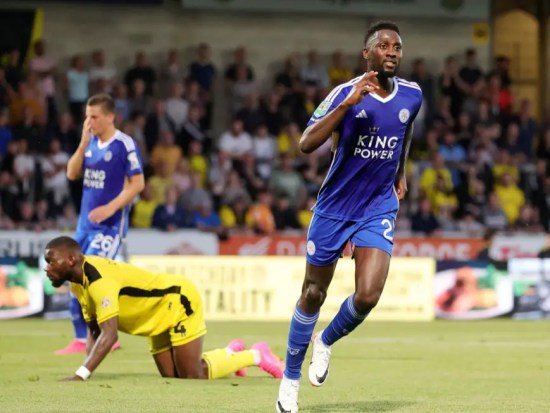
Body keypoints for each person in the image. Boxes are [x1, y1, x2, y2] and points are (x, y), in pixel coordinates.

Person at [276, 21, 422, 413]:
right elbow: (306, 144)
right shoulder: (345, 93)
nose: (392, 51)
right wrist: (345, 105)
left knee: (369, 294)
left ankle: (324, 341)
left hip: (377, 205)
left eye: (397, 47)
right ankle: (289, 381)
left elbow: (404, 132)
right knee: (313, 293)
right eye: (384, 46)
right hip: (336, 206)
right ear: (368, 54)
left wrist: (401, 172)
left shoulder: (413, 95)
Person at [44, 236, 284, 381]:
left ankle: (254, 355)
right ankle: (229, 353)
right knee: (172, 376)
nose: (47, 268)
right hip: (153, 319)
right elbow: (94, 330)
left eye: (51, 261)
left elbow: (110, 334)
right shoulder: (78, 283)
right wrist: (87, 365)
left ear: (71, 260)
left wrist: (81, 374)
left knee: (193, 375)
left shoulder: (98, 279)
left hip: (177, 301)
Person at [56, 93, 145, 355]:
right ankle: (79, 338)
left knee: (91, 277)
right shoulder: (91, 143)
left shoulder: (123, 144)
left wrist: (110, 208)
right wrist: (83, 143)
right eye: (86, 116)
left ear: (110, 116)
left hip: (109, 227)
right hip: (84, 226)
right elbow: (72, 173)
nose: (89, 121)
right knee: (72, 279)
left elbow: (138, 183)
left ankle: (109, 336)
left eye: (93, 116)